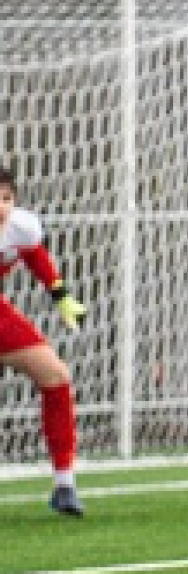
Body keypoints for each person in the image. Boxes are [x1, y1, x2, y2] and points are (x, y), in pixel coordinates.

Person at [0, 166, 86, 516]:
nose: (1, 206)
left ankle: (64, 485)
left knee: (55, 375)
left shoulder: (23, 226)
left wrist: (63, 299)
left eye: (6, 198)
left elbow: (38, 259)